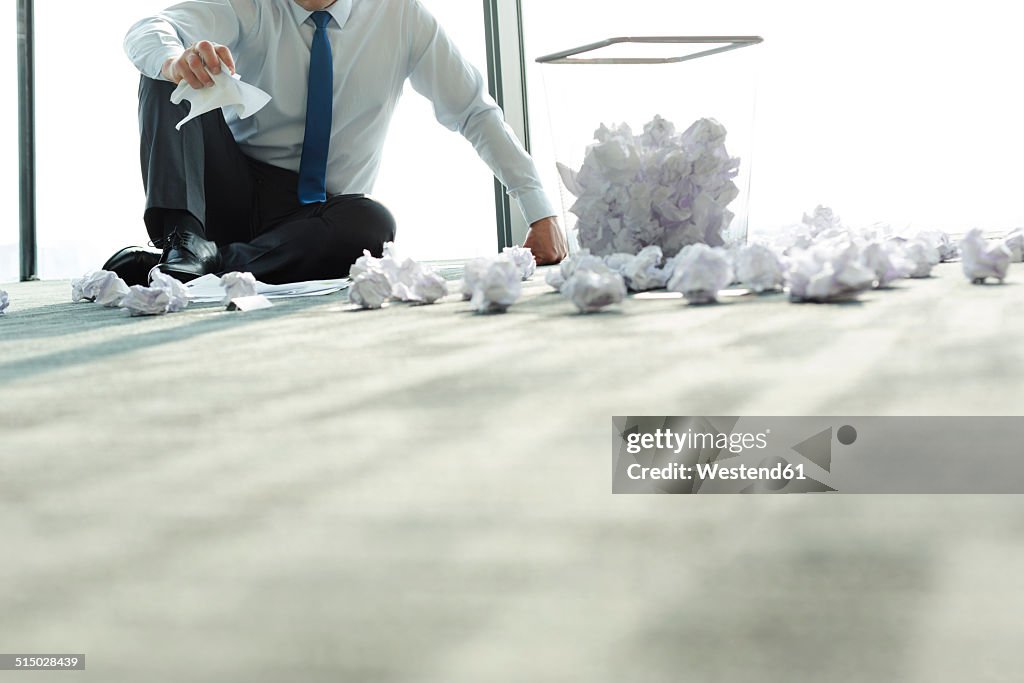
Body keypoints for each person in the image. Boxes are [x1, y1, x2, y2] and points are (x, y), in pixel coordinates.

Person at [107, 0, 568, 286]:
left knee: (373, 223)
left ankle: (206, 263)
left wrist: (540, 210)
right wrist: (174, 61)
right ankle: (185, 239)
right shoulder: (246, 3)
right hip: (229, 188)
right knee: (165, 75)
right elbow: (149, 27)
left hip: (317, 216)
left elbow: (473, 110)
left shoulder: (402, 15)